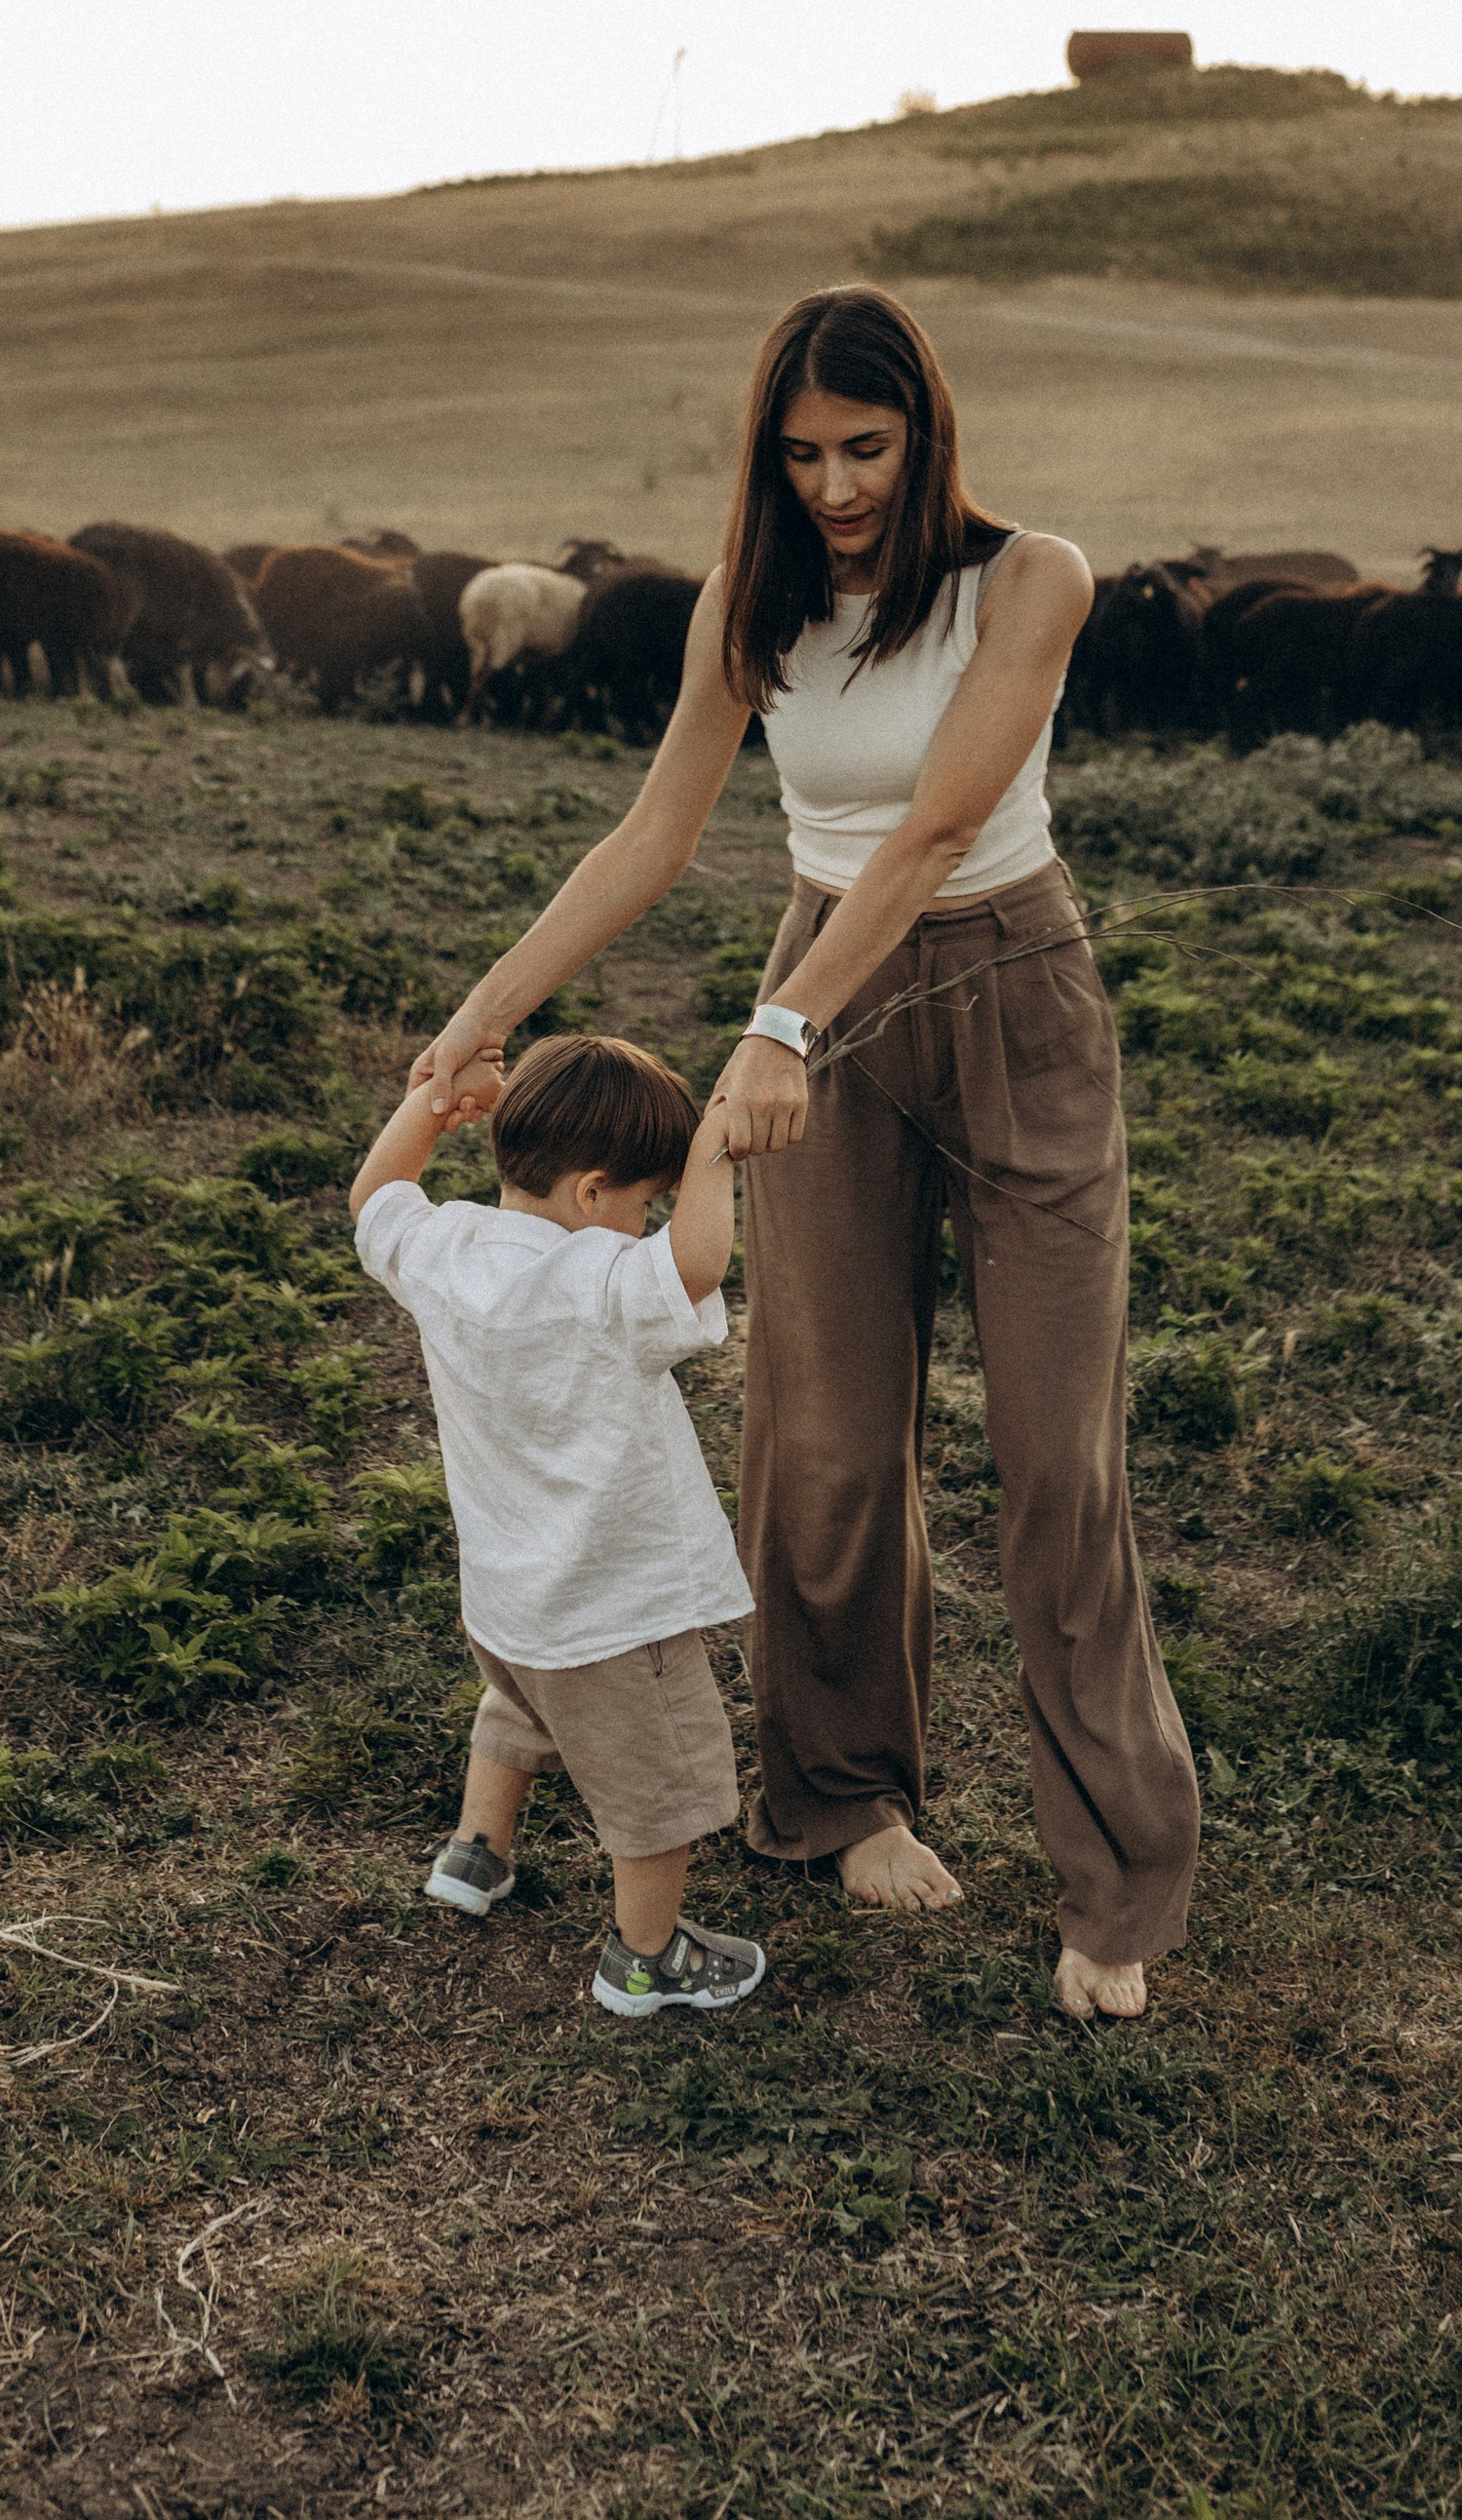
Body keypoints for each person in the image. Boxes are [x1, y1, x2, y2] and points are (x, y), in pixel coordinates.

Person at [413, 285, 1199, 2021]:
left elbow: (935, 830)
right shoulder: (748, 603)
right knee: (827, 1436)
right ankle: (843, 1795)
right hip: (820, 984)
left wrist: (781, 1028)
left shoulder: (1031, 580)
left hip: (1008, 988)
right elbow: (652, 835)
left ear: (926, 434)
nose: (836, 486)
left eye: (867, 447)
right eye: (801, 454)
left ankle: (1115, 1889)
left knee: (1057, 1459)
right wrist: (478, 1018)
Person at [350, 1030, 767, 2019]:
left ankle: (475, 1853)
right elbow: (698, 1264)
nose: (649, 1225)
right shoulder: (600, 1283)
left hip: (505, 1598)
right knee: (655, 1781)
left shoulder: (443, 1248)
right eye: (645, 1203)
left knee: (521, 1709)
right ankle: (646, 1959)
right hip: (615, 1609)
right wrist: (717, 1142)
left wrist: (435, 1101)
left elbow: (374, 1195)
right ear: (591, 1194)